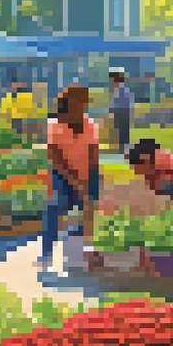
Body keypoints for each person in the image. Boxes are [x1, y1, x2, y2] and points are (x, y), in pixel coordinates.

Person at [40, 84, 100, 270]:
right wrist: (75, 182)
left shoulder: (90, 126)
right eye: (79, 102)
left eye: (84, 103)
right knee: (55, 205)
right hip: (63, 175)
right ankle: (46, 253)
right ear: (68, 103)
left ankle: (79, 252)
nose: (83, 106)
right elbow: (56, 160)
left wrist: (87, 183)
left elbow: (93, 157)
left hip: (88, 174)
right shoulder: (55, 126)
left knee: (89, 209)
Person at [109, 70, 134, 153]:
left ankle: (124, 149)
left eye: (112, 79)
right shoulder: (122, 89)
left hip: (122, 113)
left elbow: (119, 103)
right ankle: (123, 148)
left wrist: (114, 110)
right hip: (123, 113)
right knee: (122, 132)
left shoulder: (121, 89)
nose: (111, 82)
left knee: (122, 132)